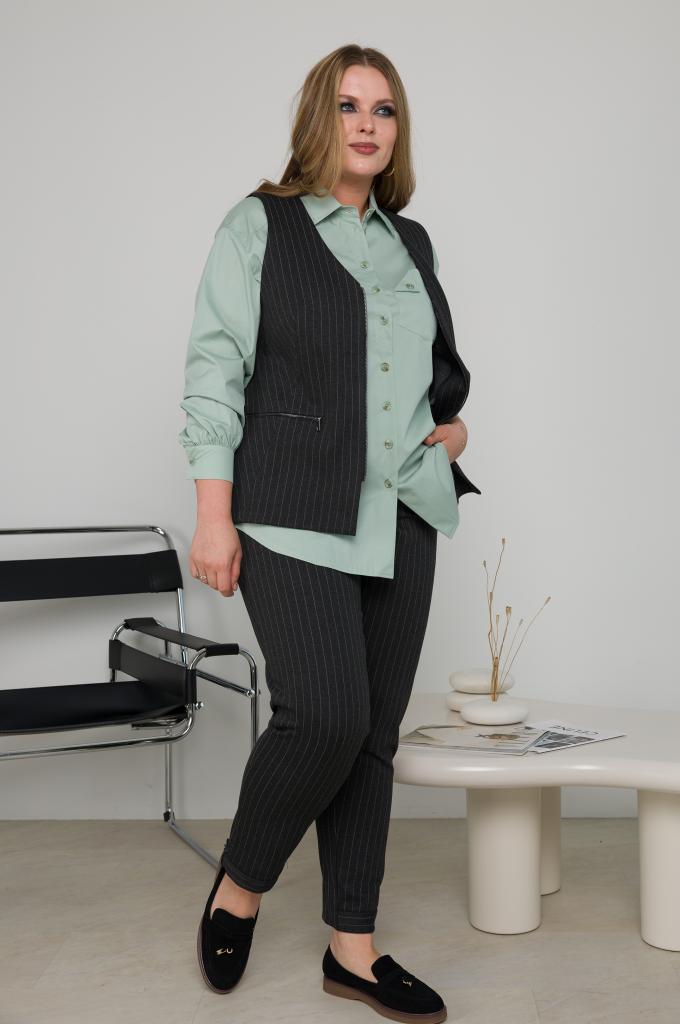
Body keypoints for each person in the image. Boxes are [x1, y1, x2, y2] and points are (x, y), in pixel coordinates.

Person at [178, 43, 481, 1023]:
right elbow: (214, 373)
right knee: (325, 715)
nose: (366, 124)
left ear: (397, 131)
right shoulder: (257, 225)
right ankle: (241, 883)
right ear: (319, 117)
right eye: (349, 106)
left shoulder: (411, 242)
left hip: (403, 513)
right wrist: (213, 518)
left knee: (372, 737)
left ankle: (353, 947)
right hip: (290, 511)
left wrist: (453, 430)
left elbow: (427, 376)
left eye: (383, 110)